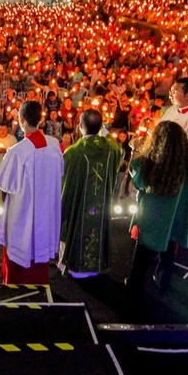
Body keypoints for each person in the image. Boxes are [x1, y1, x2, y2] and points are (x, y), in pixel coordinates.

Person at [126, 120, 188, 296]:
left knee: (142, 256)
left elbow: (136, 178)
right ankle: (162, 284)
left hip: (151, 218)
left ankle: (134, 286)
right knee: (169, 255)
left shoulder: (151, 161)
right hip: (178, 218)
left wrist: (135, 150)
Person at [0, 100, 64, 284]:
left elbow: (4, 183)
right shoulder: (54, 145)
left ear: (21, 120)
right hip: (46, 210)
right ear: (41, 120)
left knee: (21, 245)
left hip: (23, 212)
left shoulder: (18, 151)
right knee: (39, 248)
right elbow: (60, 173)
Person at [57, 109, 123, 277]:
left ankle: (73, 265)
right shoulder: (113, 149)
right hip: (102, 206)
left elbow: (65, 185)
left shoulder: (73, 152)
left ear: (79, 126)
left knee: (75, 226)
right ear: (101, 126)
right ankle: (97, 265)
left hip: (79, 208)